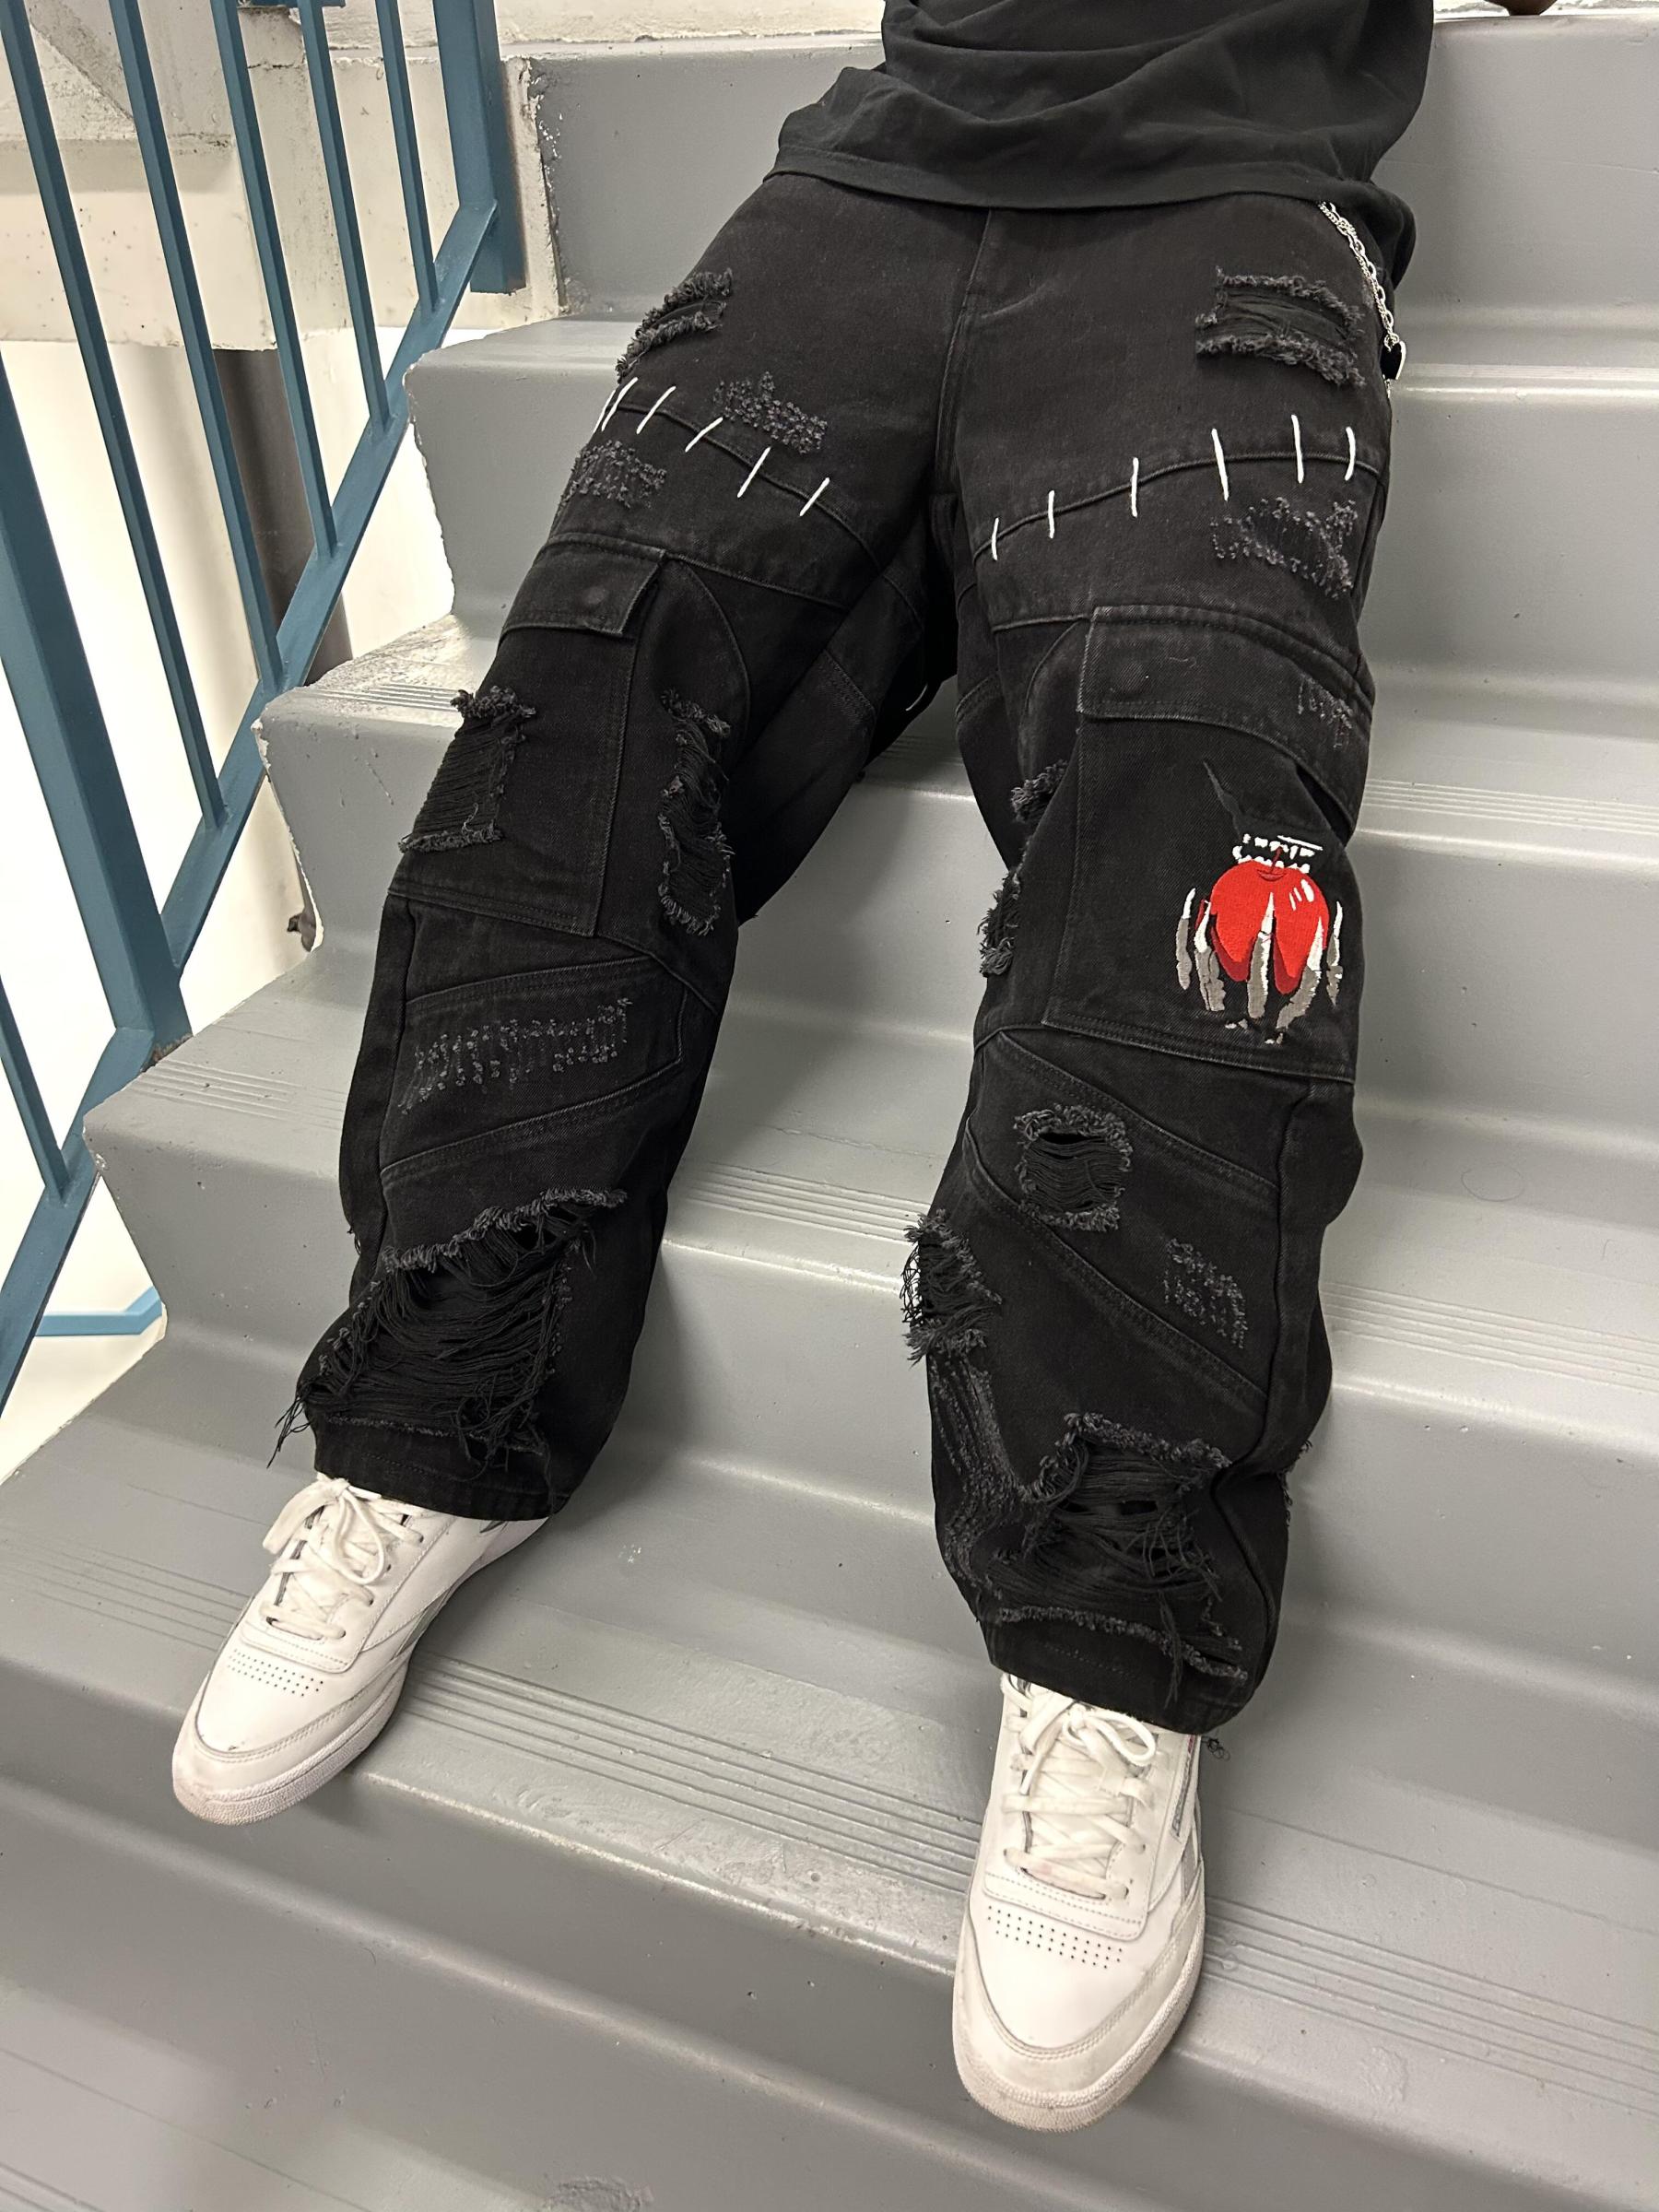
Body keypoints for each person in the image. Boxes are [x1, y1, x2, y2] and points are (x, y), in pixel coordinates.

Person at [171, 0, 1556, 2132]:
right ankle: (441, 1415)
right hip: (869, 186)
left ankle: (1103, 1623)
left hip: (1218, 196)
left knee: (1197, 793)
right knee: (573, 707)